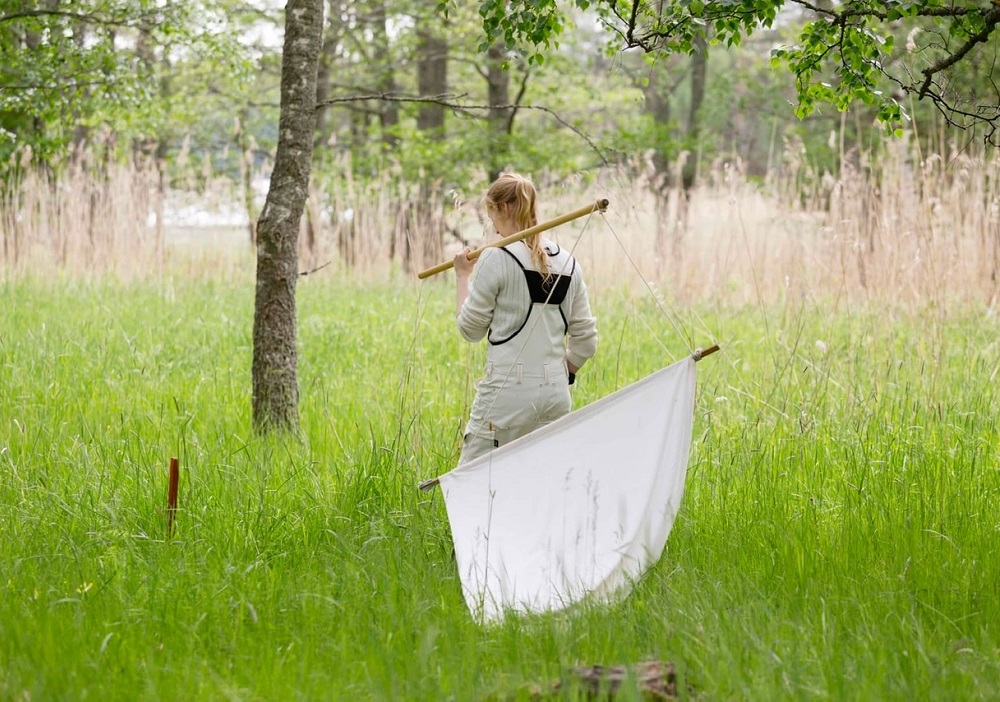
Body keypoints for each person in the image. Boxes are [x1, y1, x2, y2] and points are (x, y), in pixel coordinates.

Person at [453, 172, 598, 464]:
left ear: (504, 209)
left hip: (507, 395)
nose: (492, 224)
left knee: (473, 480)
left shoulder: (495, 257)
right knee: (541, 485)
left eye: (491, 214)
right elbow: (586, 342)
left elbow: (470, 330)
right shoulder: (569, 262)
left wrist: (462, 276)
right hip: (556, 396)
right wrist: (562, 370)